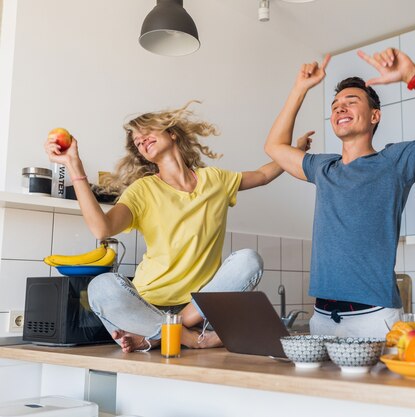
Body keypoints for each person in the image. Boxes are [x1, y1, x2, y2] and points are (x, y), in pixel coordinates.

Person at [44, 101, 312, 353]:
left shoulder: (214, 179)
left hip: (198, 307)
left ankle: (159, 334)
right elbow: (102, 229)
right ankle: (189, 338)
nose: (141, 139)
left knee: (248, 260)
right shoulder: (143, 190)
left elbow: (263, 175)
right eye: (137, 140)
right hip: (146, 304)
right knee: (101, 287)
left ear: (172, 134)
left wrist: (292, 154)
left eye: (146, 131)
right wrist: (73, 164)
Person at [264, 48, 415, 338]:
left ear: (374, 116)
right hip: (323, 320)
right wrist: (300, 88)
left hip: (375, 320)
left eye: (351, 102)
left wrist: (413, 76)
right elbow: (274, 148)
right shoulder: (322, 167)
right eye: (335, 105)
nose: (340, 108)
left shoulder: (394, 162)